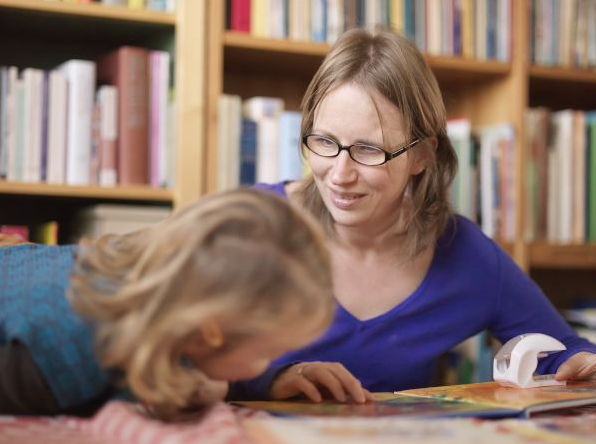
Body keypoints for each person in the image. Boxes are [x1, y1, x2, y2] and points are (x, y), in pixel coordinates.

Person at [228, 28, 596, 403]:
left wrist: (583, 363)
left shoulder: (464, 254)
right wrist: (269, 380)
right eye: (324, 142)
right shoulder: (250, 226)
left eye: (369, 149)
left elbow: (567, 352)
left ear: (422, 155)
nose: (339, 175)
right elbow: (175, 359)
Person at [0, 189, 334, 420]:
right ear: (209, 332)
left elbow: (203, 364)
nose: (267, 362)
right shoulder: (63, 354)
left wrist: (268, 381)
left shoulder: (167, 306)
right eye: (265, 354)